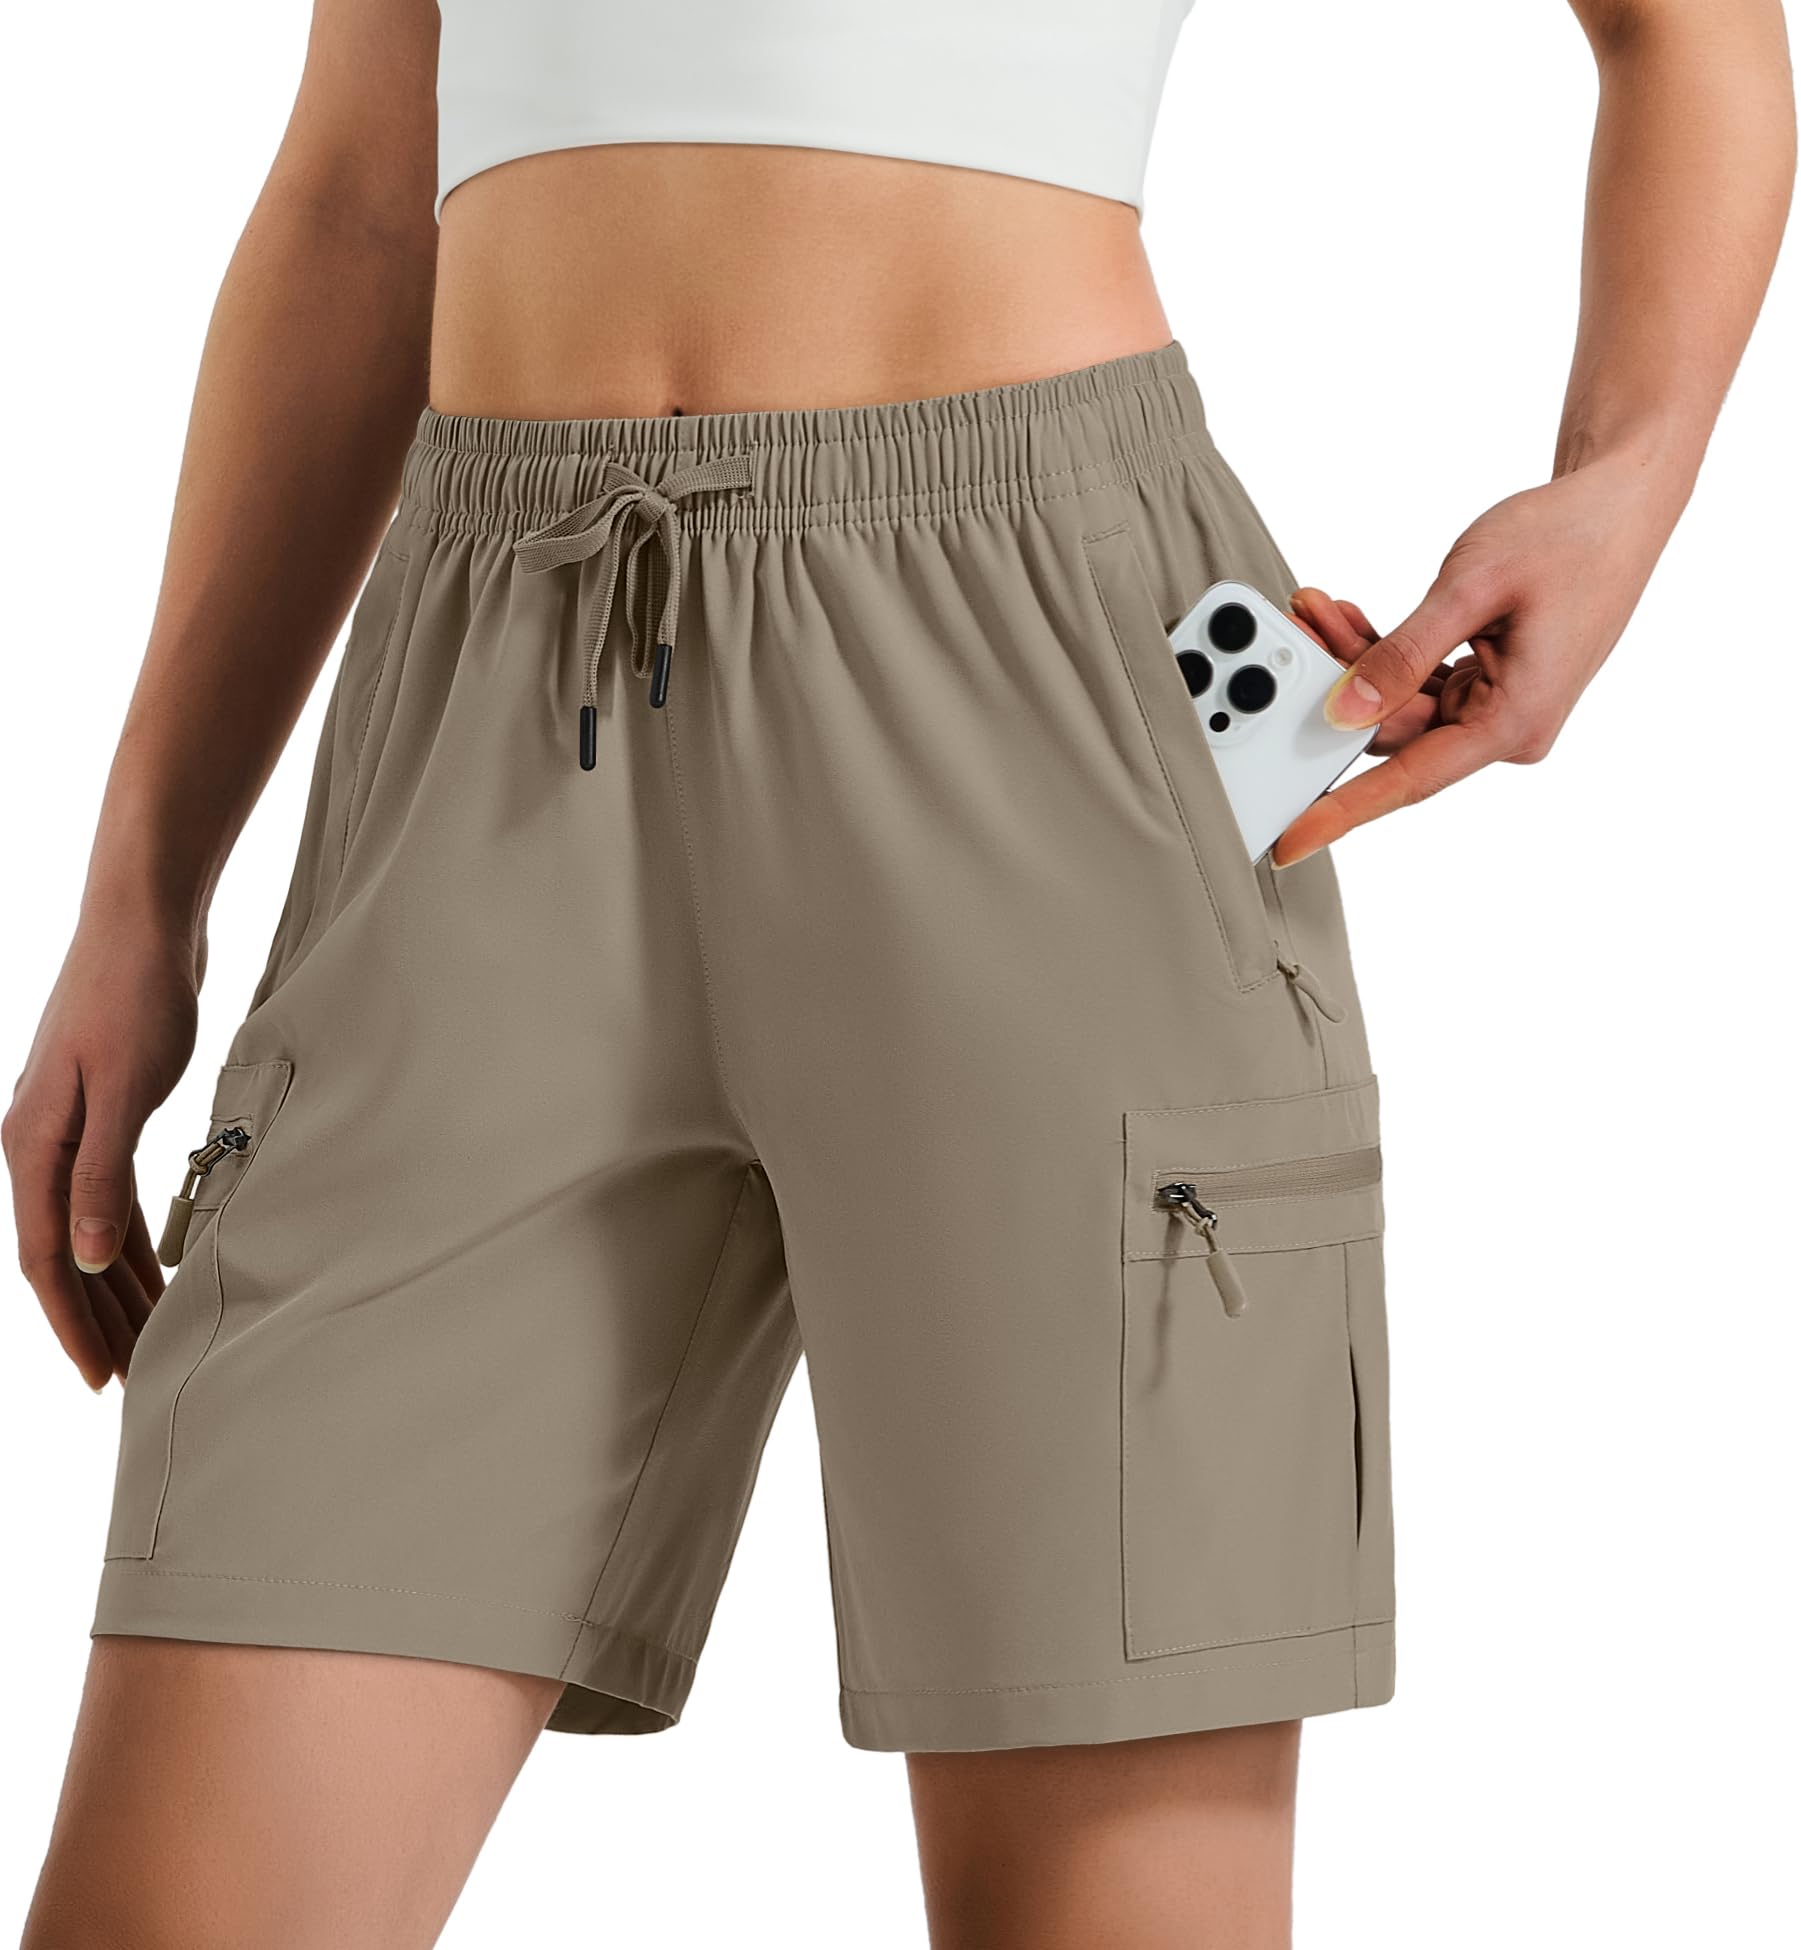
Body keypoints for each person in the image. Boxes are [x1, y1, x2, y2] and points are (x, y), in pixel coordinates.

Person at [10, 1, 1792, 1944]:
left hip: (1045, 685)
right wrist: (141, 885)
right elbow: (364, 189)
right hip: (493, 706)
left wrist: (1627, 479)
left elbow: (1684, 31)